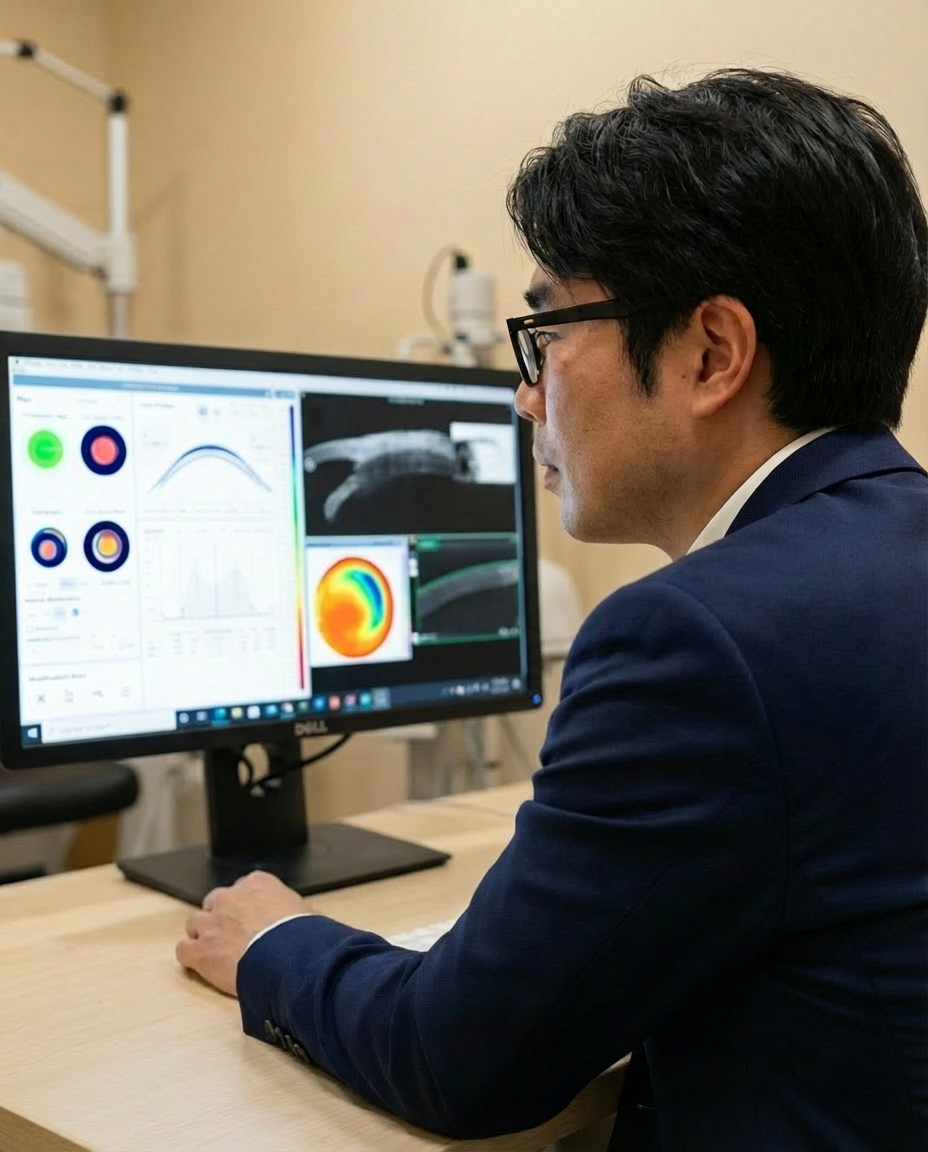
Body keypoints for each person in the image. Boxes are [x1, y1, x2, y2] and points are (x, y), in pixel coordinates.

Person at [176, 69, 927, 1150]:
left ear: (711, 352)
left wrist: (274, 944)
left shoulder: (697, 642)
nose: (526, 393)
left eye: (548, 336)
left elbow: (460, 1058)